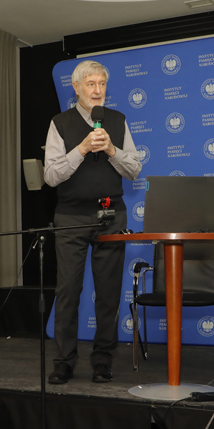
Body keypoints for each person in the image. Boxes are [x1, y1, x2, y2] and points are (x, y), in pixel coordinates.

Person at [44, 60, 142, 384]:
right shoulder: (60, 123)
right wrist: (82, 149)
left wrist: (112, 149)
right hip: (71, 217)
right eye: (91, 84)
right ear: (76, 88)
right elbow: (51, 175)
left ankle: (102, 360)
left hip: (111, 215)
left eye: (101, 84)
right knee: (69, 290)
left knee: (109, 292)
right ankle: (64, 361)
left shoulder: (117, 120)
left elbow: (135, 169)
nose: (97, 90)